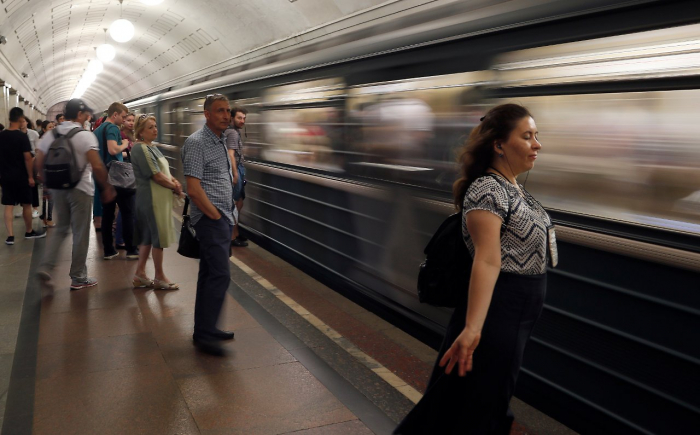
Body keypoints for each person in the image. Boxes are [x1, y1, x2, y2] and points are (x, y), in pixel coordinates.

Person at [394, 104, 553, 435]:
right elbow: (487, 259)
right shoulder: (488, 190)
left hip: (514, 314)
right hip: (498, 312)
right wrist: (473, 329)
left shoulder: (512, 187)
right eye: (526, 136)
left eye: (536, 136)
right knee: (478, 406)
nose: (537, 144)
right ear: (498, 144)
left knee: (473, 402)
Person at [35, 99, 116, 290]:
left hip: (58, 188)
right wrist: (106, 187)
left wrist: (47, 183)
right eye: (85, 114)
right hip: (81, 188)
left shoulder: (51, 133)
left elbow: (38, 160)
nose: (88, 117)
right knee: (80, 231)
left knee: (62, 227)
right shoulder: (85, 136)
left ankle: (46, 266)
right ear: (79, 115)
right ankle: (78, 276)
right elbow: (96, 165)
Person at [182, 93, 236, 356]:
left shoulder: (220, 140)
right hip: (210, 220)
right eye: (220, 111)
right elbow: (193, 189)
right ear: (206, 114)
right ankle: (205, 335)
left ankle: (205, 329)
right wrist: (215, 216)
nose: (226, 115)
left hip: (222, 218)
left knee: (209, 275)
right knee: (220, 275)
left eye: (227, 110)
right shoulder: (197, 143)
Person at [131, 115, 182, 290]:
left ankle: (140, 274)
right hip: (152, 199)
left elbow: (163, 171)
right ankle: (159, 277)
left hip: (157, 198)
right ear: (141, 132)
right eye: (150, 127)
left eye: (155, 126)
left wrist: (174, 180)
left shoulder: (151, 147)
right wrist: (175, 188)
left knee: (147, 237)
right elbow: (156, 176)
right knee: (157, 237)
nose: (155, 130)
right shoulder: (141, 149)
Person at [93, 102, 138, 260]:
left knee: (108, 214)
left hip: (103, 176)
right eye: (123, 117)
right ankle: (132, 249)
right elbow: (113, 149)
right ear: (115, 115)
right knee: (127, 211)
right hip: (117, 175)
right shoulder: (112, 128)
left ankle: (108, 250)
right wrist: (124, 144)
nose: (124, 119)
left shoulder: (97, 130)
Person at [0, 107, 46, 245]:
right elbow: (27, 158)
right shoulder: (22, 136)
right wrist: (31, 177)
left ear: (9, 119)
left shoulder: (1, 135)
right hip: (21, 176)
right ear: (21, 119)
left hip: (6, 176)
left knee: (8, 205)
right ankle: (29, 231)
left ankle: (10, 236)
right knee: (26, 204)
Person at [225, 106, 247, 247]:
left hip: (238, 168)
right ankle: (233, 236)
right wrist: (235, 173)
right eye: (239, 118)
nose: (242, 121)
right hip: (237, 169)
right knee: (235, 204)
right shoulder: (232, 133)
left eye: (244, 118)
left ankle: (236, 233)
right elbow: (231, 154)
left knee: (238, 201)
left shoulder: (233, 131)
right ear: (232, 118)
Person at [114, 112, 136, 249]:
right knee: (126, 207)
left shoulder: (133, 135)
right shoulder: (120, 135)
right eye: (128, 120)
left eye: (133, 120)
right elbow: (116, 151)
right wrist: (131, 153)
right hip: (124, 172)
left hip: (132, 171)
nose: (131, 123)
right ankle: (120, 237)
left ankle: (128, 236)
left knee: (130, 207)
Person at [21, 116, 41, 219]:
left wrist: (34, 159)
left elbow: (37, 149)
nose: (22, 123)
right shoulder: (17, 134)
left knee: (33, 186)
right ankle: (25, 208)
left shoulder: (33, 134)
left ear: (27, 122)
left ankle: (35, 209)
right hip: (20, 162)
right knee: (22, 186)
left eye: (23, 121)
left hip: (32, 160)